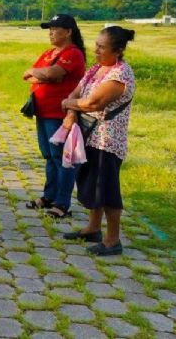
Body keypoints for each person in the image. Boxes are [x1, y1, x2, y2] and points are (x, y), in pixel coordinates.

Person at [60, 26, 136, 257]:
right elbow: (76, 94)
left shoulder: (120, 75)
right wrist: (72, 109)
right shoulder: (96, 69)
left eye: (102, 47)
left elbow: (93, 103)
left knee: (108, 189)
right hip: (90, 137)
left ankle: (112, 240)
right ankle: (93, 229)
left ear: (118, 50)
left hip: (107, 141)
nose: (96, 51)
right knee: (93, 184)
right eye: (96, 45)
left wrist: (68, 105)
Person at [22, 14, 86, 219]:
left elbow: (52, 73)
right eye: (49, 29)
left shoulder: (73, 53)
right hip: (42, 112)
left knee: (62, 159)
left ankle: (62, 203)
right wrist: (41, 73)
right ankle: (49, 196)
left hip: (59, 115)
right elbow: (28, 76)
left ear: (68, 32)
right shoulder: (49, 52)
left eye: (55, 29)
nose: (50, 33)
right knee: (49, 157)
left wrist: (41, 73)